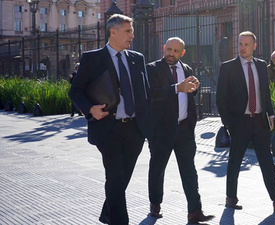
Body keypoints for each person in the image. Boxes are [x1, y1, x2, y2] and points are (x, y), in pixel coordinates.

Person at [69, 14, 150, 225]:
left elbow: (146, 92)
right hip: (108, 127)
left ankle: (108, 214)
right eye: (127, 31)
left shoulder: (137, 58)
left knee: (122, 179)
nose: (132, 35)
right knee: (114, 178)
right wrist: (90, 110)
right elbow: (75, 92)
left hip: (134, 130)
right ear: (112, 32)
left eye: (132, 31)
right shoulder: (92, 58)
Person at [216, 31, 275, 212]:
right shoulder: (228, 67)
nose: (242, 48)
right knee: (235, 161)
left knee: (267, 161)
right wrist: (228, 124)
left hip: (260, 121)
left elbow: (265, 92)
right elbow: (220, 99)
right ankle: (231, 198)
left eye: (246, 44)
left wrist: (270, 114)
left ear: (254, 47)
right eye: (240, 44)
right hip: (240, 123)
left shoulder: (261, 65)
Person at [146, 37, 214, 224]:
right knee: (157, 169)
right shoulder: (152, 69)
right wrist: (177, 88)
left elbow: (188, 96)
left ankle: (195, 210)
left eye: (176, 51)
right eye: (169, 49)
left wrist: (194, 88)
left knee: (189, 170)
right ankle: (155, 204)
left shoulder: (187, 70)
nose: (171, 53)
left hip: (184, 128)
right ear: (163, 48)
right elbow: (152, 94)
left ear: (182, 53)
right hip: (161, 130)